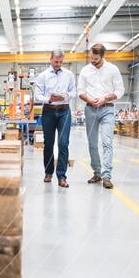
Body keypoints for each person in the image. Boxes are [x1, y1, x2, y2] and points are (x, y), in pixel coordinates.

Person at [78, 43, 125, 189]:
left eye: (96, 59)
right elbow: (80, 90)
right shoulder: (85, 70)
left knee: (107, 142)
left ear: (102, 56)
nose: (93, 61)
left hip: (107, 109)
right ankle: (97, 172)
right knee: (92, 144)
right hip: (90, 109)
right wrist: (89, 99)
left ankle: (106, 176)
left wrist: (105, 98)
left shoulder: (113, 69)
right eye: (91, 58)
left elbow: (120, 90)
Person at [34, 49, 76, 187]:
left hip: (64, 111)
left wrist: (65, 96)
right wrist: (49, 99)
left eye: (61, 62)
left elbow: (73, 91)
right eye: (56, 61)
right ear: (51, 59)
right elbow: (37, 95)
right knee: (48, 144)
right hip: (48, 111)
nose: (58, 64)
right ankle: (48, 172)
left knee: (63, 144)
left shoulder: (69, 74)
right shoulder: (43, 76)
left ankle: (62, 176)